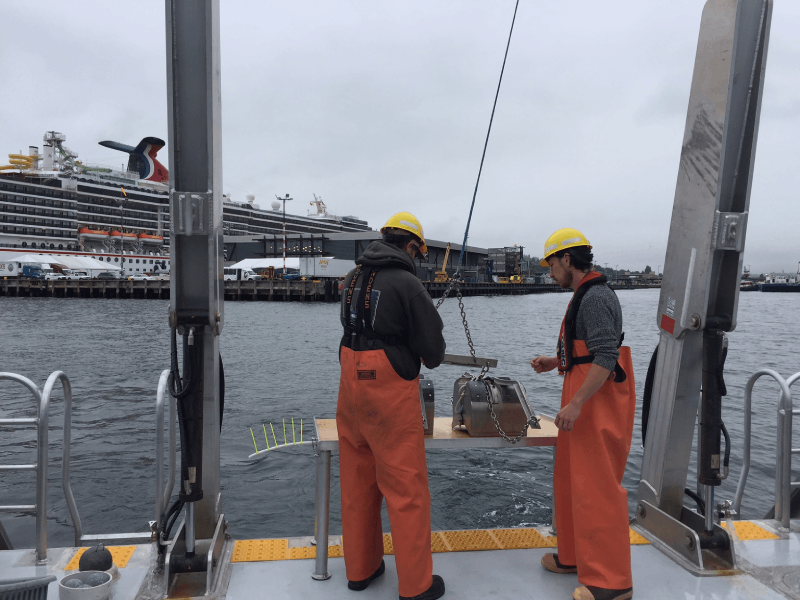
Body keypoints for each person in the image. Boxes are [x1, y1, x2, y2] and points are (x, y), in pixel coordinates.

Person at [336, 212, 447, 600]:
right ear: (412, 246)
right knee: (406, 489)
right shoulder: (408, 283)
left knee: (357, 483)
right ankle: (416, 586)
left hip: (350, 387)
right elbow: (433, 353)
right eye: (419, 251)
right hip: (387, 393)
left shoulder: (351, 280)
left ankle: (360, 570)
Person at [530, 228, 636, 600]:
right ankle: (574, 557)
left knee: (599, 488)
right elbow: (586, 351)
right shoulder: (585, 293)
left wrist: (576, 403)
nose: (549, 272)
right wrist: (554, 361)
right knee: (571, 481)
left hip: (596, 404)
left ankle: (612, 583)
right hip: (583, 395)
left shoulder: (594, 298)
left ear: (567, 260)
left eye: (551, 264)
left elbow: (606, 357)